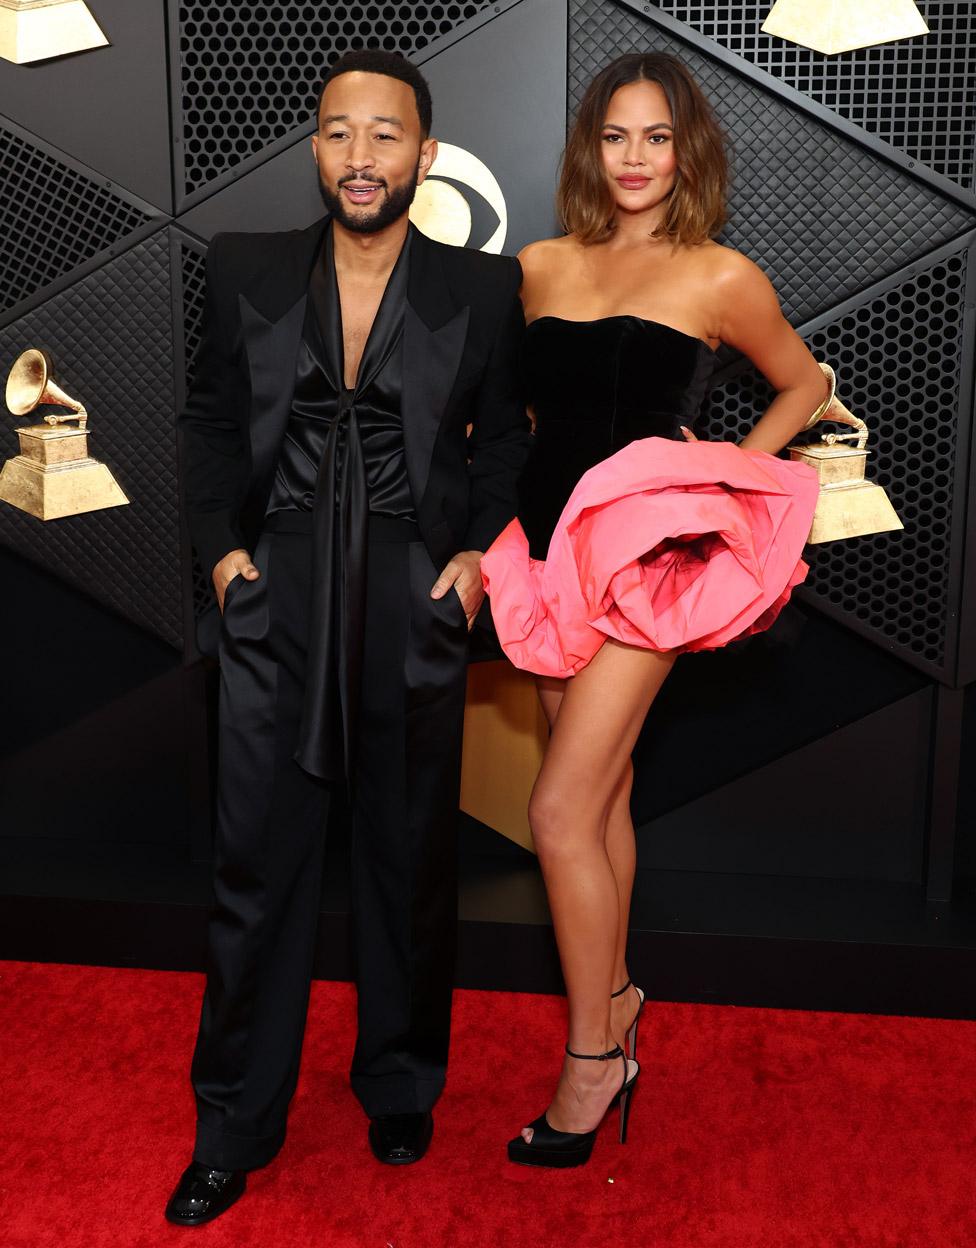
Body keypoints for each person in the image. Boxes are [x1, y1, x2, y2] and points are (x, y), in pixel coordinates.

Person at [166, 49, 530, 1224]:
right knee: (254, 867)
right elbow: (209, 422)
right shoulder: (241, 267)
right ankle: (234, 1121)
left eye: (386, 135)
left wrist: (473, 559)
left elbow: (505, 445)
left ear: (426, 154)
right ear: (314, 148)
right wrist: (225, 560)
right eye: (338, 133)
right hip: (276, 591)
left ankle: (400, 1082)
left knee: (408, 856)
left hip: (411, 598)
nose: (360, 156)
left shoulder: (481, 287)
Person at [480, 52, 825, 1168]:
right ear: (590, 148)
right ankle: (619, 999)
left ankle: (591, 1063)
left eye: (658, 138)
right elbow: (522, 409)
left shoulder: (720, 275)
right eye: (617, 136)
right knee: (607, 792)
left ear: (688, 152)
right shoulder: (534, 264)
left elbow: (804, 381)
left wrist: (725, 467)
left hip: (647, 565)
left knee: (557, 811)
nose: (635, 159)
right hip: (542, 547)